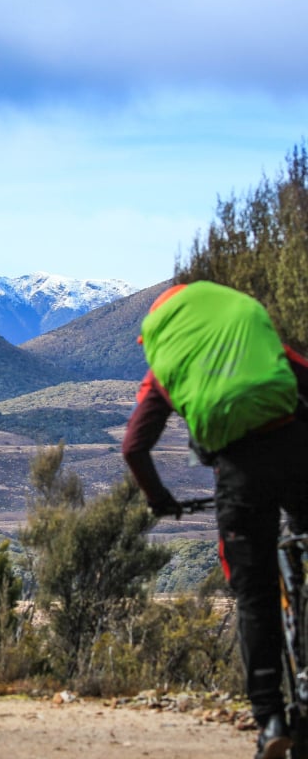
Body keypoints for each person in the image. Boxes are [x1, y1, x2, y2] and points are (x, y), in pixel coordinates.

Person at [122, 280, 308, 759]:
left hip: (241, 472)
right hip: (297, 449)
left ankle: (270, 719)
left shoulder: (168, 362)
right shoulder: (251, 335)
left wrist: (161, 499)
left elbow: (134, 448)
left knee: (254, 592)